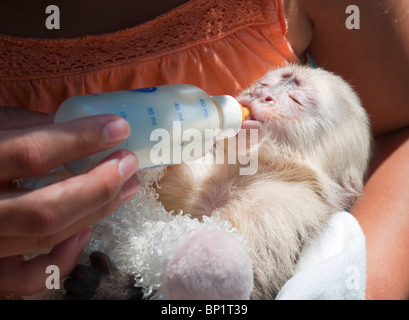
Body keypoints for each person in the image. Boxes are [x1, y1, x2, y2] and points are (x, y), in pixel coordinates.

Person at [0, 0, 408, 300]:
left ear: (342, 187)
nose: (264, 91)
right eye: (277, 77)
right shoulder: (203, 141)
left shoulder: (290, 206)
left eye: (296, 97)